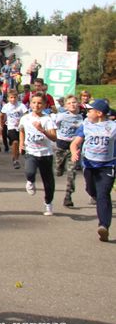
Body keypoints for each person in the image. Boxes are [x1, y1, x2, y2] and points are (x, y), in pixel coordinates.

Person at [70, 99, 115, 242]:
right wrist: (74, 152)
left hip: (108, 165)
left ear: (99, 113)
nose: (87, 113)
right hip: (89, 165)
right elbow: (75, 143)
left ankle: (104, 226)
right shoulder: (86, 125)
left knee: (103, 194)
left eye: (90, 110)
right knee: (91, 190)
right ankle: (93, 195)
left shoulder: (113, 127)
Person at [19, 93, 58, 216]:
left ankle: (48, 203)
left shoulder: (47, 119)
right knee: (29, 172)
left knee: (48, 181)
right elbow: (22, 130)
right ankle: (30, 181)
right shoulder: (25, 118)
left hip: (46, 154)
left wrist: (42, 130)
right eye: (34, 102)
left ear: (45, 105)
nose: (37, 105)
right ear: (30, 104)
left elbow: (54, 137)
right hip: (31, 151)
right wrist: (21, 144)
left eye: (40, 103)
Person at [53, 95, 83, 207]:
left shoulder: (81, 118)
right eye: (69, 103)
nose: (72, 105)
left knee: (72, 172)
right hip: (61, 146)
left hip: (74, 148)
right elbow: (53, 126)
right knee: (58, 171)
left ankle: (68, 196)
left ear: (78, 103)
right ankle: (59, 169)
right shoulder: (61, 116)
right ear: (65, 105)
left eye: (74, 102)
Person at [0, 89, 28, 169]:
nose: (13, 99)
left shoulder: (21, 105)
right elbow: (1, 115)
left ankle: (16, 157)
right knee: (15, 142)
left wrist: (21, 119)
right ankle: (16, 160)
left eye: (14, 97)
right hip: (11, 127)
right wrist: (0, 125)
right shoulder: (6, 106)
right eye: (11, 97)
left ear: (17, 97)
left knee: (20, 144)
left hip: (21, 128)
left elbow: (26, 114)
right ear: (8, 98)